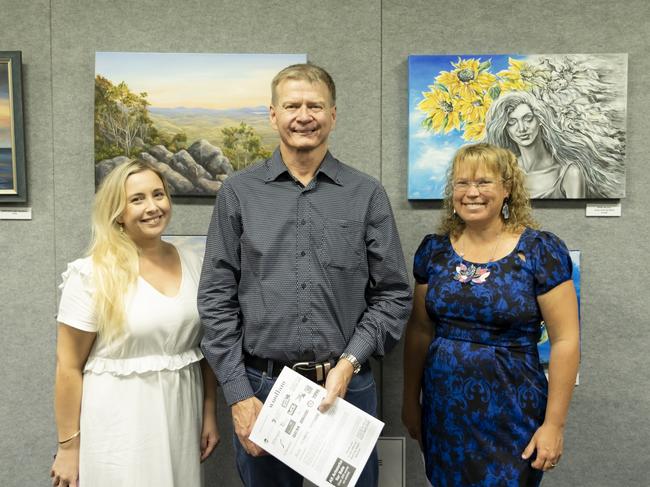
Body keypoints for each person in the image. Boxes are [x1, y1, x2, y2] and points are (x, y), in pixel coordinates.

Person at [199, 63, 412, 487]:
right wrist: (239, 394)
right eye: (292, 105)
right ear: (273, 114)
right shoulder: (238, 193)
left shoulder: (365, 193)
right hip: (263, 388)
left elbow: (393, 295)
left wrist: (350, 362)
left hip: (347, 387)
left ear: (333, 115)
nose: (304, 115)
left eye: (315, 105)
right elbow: (215, 300)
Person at [402, 143, 580, 486]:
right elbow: (420, 330)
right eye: (461, 183)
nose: (472, 193)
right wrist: (410, 400)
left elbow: (566, 340)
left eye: (484, 182)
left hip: (513, 411)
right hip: (445, 411)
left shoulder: (539, 252)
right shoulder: (434, 252)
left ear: (507, 189)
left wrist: (554, 425)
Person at [50, 160, 219, 487]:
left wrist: (209, 411)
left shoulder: (195, 262)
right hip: (118, 421)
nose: (153, 207)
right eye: (137, 199)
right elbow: (67, 366)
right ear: (117, 212)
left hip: (181, 414)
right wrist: (68, 447)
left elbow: (204, 349)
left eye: (159, 194)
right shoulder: (92, 274)